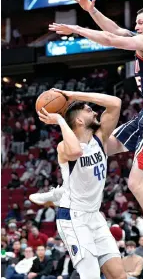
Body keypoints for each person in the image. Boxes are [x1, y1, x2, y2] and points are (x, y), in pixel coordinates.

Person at [48, 0, 143, 274]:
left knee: (136, 183)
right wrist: (91, 11)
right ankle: (67, 191)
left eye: (140, 22)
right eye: (135, 23)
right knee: (97, 147)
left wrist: (76, 29)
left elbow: (111, 39)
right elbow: (115, 30)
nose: (136, 26)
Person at [31, 91, 126, 279]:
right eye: (90, 110)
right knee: (90, 276)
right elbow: (75, 151)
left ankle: (61, 192)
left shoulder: (100, 138)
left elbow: (115, 102)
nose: (96, 113)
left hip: (95, 216)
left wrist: (71, 94)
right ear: (80, 122)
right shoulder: (63, 147)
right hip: (73, 218)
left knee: (119, 276)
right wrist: (60, 120)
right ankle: (62, 194)